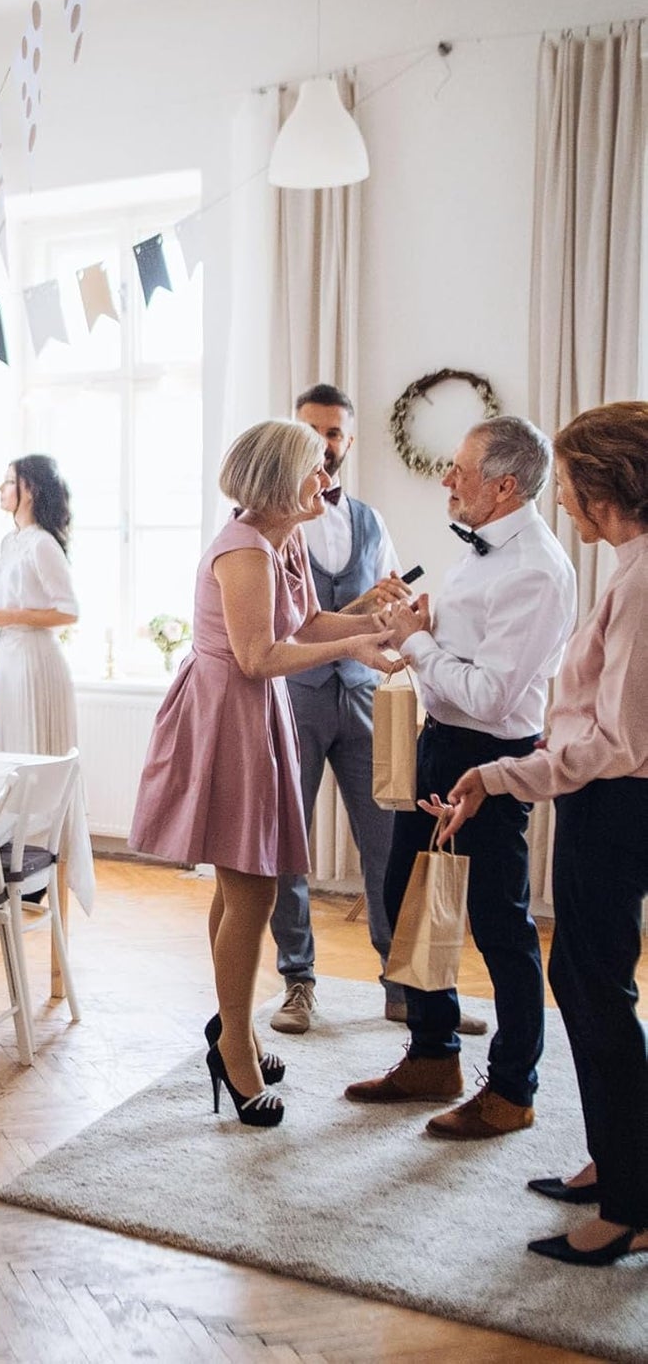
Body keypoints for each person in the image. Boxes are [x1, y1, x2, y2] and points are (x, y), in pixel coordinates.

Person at [129, 420, 400, 1128]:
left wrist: (367, 634)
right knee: (251, 890)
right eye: (315, 471)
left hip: (256, 713)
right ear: (282, 479)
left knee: (240, 885)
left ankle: (235, 1032)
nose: (326, 482)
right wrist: (359, 640)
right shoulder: (243, 549)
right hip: (227, 714)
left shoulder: (284, 541)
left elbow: (306, 625)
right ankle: (235, 1056)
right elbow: (256, 656)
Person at [430, 402, 648, 1265]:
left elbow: (616, 741)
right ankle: (620, 1161)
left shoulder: (637, 580)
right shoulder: (627, 566)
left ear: (603, 487)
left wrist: (499, 773)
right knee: (590, 982)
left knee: (594, 991)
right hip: (602, 799)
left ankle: (628, 1204)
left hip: (614, 804)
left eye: (566, 480)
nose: (558, 497)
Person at [346, 416, 576, 1140]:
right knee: (409, 898)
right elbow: (461, 657)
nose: (446, 479)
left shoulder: (537, 570)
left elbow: (490, 696)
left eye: (459, 469)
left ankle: (512, 1086)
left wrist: (416, 641)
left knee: (497, 924)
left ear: (502, 485)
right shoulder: (477, 553)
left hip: (491, 759)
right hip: (438, 744)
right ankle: (432, 1053)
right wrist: (415, 624)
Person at [266, 386, 485, 1036]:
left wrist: (396, 612)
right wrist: (361, 607)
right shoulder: (271, 519)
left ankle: (403, 983)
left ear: (348, 441)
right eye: (310, 429)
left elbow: (387, 617)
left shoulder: (369, 520)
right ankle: (297, 979)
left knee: (391, 841)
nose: (323, 442)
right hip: (294, 696)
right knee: (288, 844)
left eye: (332, 432)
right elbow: (283, 624)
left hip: (365, 696)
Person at [0, 455, 78, 756]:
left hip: (34, 661)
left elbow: (69, 611)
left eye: (8, 481)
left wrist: (10, 616)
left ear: (29, 489)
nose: (1, 488)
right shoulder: (9, 542)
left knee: (29, 754)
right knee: (6, 749)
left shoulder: (43, 543)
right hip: (9, 656)